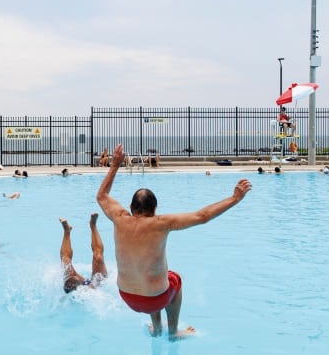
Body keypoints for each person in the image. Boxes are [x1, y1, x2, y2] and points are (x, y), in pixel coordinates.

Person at [96, 144, 252, 340]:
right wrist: (234, 198)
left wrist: (116, 164)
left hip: (126, 297)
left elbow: (102, 196)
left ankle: (156, 328)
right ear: (155, 210)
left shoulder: (119, 218)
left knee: (155, 276)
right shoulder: (162, 223)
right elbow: (202, 216)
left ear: (130, 207)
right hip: (155, 299)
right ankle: (172, 332)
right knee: (174, 279)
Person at [60, 214, 108, 293]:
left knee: (98, 257)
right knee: (98, 258)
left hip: (88, 285)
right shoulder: (92, 293)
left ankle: (68, 231)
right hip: (96, 285)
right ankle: (68, 230)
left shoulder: (73, 282)